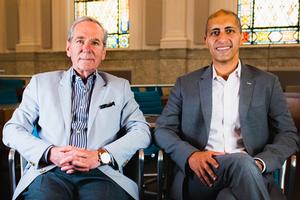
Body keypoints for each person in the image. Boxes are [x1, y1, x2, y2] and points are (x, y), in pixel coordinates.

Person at [154, 9, 299, 200]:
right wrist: (191, 156)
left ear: (241, 37)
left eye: (229, 30)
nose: (222, 37)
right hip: (201, 176)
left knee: (228, 196)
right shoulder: (185, 84)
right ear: (206, 40)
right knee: (241, 164)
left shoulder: (267, 83)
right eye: (215, 32)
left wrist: (260, 163)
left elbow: (288, 134)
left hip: (253, 171)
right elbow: (162, 130)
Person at [2, 16, 151, 200]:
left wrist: (101, 156)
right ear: (68, 48)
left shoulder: (119, 87)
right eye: (80, 40)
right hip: (49, 171)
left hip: (101, 172)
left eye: (95, 42)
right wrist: (50, 153)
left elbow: (142, 131)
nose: (86, 48)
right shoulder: (41, 84)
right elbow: (11, 130)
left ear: (103, 52)